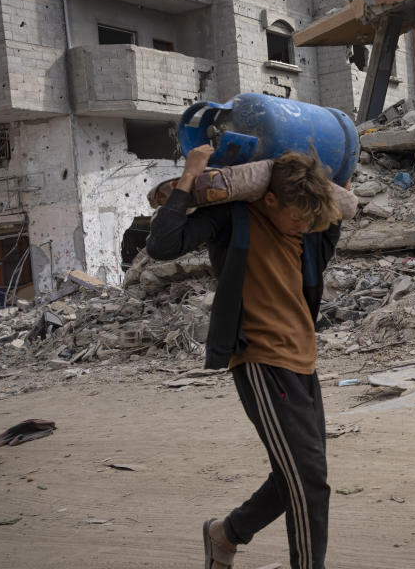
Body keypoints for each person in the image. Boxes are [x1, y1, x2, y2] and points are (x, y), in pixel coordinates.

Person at [147, 144, 349, 569]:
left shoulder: (305, 227)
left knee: (295, 474)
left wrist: (337, 180)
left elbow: (328, 226)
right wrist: (190, 176)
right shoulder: (232, 216)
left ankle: (226, 533)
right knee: (308, 480)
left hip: (303, 360)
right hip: (260, 359)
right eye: (298, 218)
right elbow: (164, 244)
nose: (304, 226)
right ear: (270, 199)